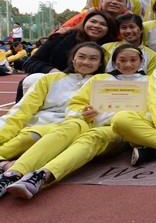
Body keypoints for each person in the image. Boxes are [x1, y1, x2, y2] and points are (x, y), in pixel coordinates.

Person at [1, 45, 147, 199]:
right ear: (115, 62)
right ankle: (12, 174)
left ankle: (42, 175)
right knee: (70, 125)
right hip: (84, 123)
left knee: (92, 136)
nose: (128, 64)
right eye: (122, 60)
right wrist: (84, 112)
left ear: (141, 61)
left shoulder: (149, 81)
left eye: (133, 60)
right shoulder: (100, 80)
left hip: (117, 129)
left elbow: (153, 110)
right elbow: (75, 106)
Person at [0, 42, 106, 184]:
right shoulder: (48, 79)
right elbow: (22, 111)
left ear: (100, 63)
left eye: (93, 59)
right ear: (73, 58)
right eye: (81, 57)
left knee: (32, 137)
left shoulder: (103, 83)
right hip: (36, 126)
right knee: (24, 135)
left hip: (70, 129)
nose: (86, 62)